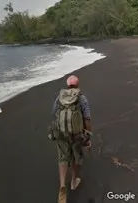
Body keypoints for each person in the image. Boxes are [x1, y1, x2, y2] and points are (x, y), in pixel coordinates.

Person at [51, 75, 92, 203]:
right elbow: (87, 118)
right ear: (78, 85)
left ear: (67, 85)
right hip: (76, 134)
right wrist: (88, 135)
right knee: (76, 157)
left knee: (63, 157)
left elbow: (54, 114)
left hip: (61, 133)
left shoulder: (60, 97)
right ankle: (74, 182)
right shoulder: (82, 98)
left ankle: (62, 184)